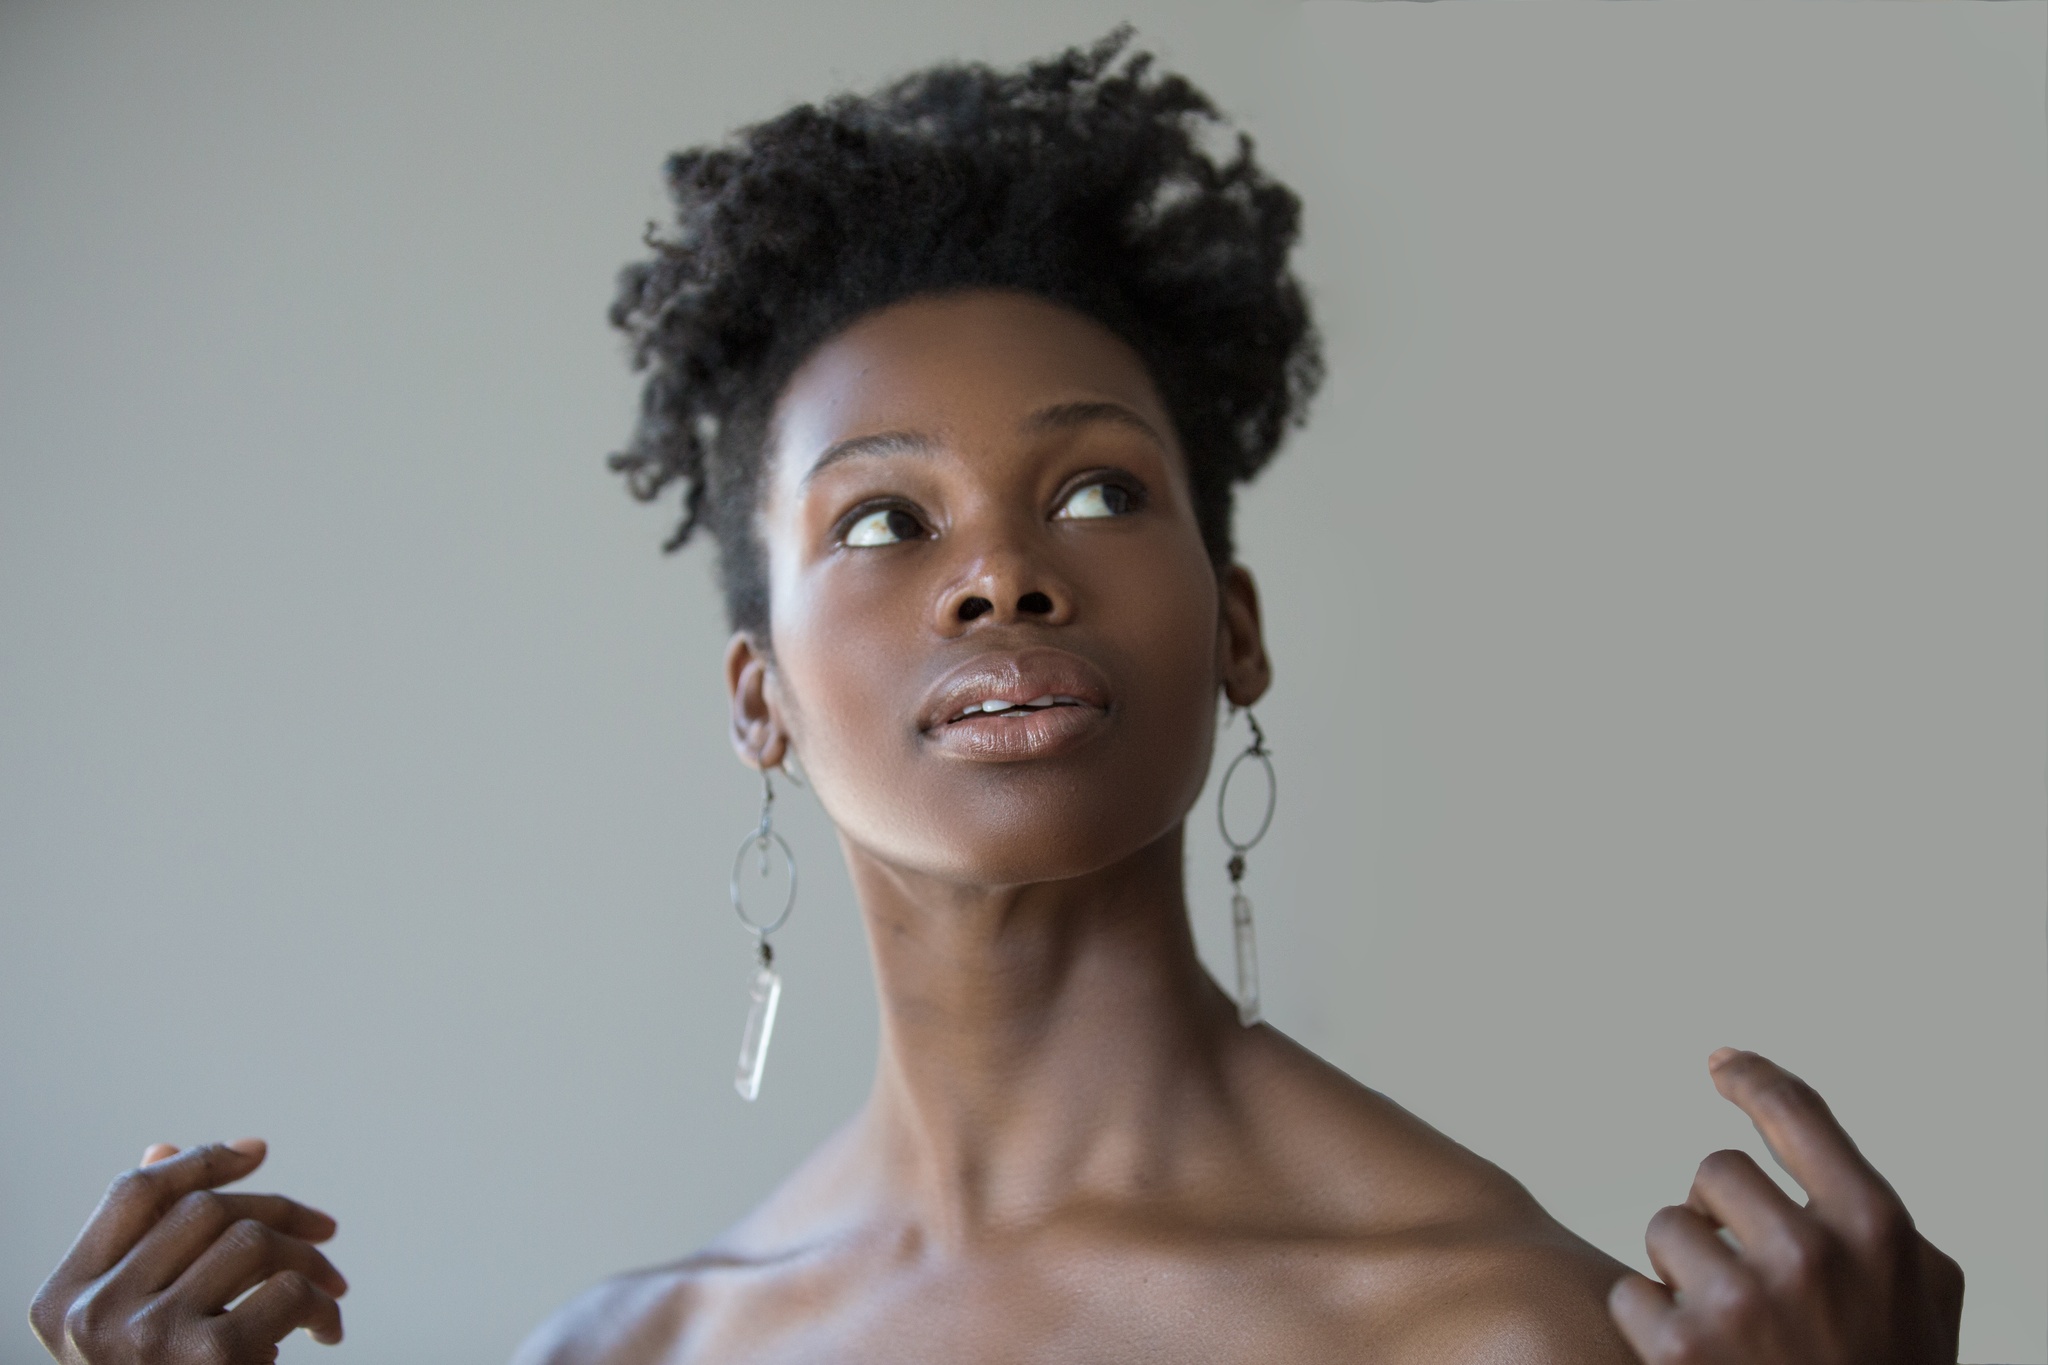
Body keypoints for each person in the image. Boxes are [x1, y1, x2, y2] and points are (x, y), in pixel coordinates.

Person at [29, 31, 1965, 1365]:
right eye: (884, 517)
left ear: (1235, 624)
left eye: (1100, 489)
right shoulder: (628, 1347)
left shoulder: (1513, 1324)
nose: (1000, 570)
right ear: (757, 696)